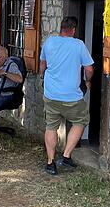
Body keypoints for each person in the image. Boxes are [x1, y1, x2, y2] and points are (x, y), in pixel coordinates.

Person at [39, 16, 94, 175]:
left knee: (51, 127)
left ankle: (50, 163)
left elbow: (43, 64)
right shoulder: (78, 45)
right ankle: (66, 155)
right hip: (72, 97)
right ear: (74, 30)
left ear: (61, 28)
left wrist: (42, 77)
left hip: (51, 94)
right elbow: (89, 69)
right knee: (81, 121)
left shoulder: (49, 42)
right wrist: (87, 81)